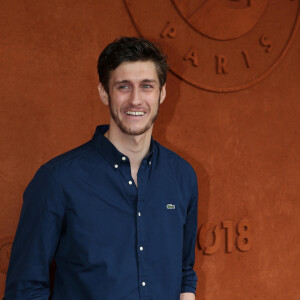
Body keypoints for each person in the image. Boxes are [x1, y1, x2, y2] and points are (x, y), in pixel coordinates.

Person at [3, 36, 198, 300]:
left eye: (147, 86)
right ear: (104, 92)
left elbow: (185, 271)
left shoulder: (182, 176)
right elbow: (24, 290)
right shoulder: (57, 181)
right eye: (123, 86)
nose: (136, 100)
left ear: (162, 93)